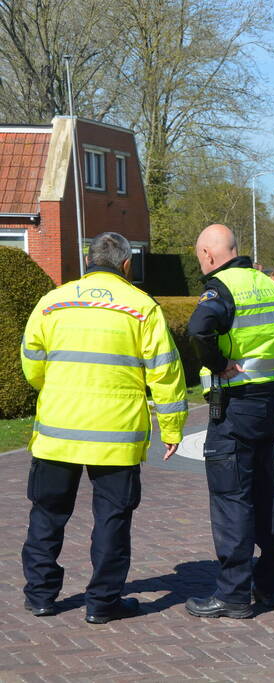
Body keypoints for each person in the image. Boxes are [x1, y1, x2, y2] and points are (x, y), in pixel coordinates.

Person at [20, 232, 187, 624]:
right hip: (116, 438)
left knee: (46, 514)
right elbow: (165, 373)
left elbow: (32, 364)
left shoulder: (51, 303)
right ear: (126, 264)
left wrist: (60, 389)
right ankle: (102, 602)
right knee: (112, 519)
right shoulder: (142, 308)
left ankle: (41, 596)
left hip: (57, 432)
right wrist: (172, 428)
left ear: (87, 260)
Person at [185, 223, 274, 619]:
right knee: (267, 497)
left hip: (233, 408)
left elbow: (198, 329)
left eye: (200, 256)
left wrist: (218, 364)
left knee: (232, 499)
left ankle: (233, 596)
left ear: (210, 255)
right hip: (267, 408)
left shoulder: (221, 288)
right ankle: (271, 589)